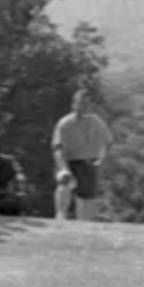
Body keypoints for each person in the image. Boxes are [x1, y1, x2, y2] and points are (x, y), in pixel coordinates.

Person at [52, 87, 113, 221]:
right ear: (74, 104)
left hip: (89, 164)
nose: (83, 107)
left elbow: (108, 142)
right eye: (80, 103)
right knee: (64, 183)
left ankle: (83, 227)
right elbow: (58, 149)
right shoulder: (64, 123)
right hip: (69, 163)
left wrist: (102, 160)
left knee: (87, 206)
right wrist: (64, 169)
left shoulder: (96, 122)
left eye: (87, 104)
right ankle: (60, 219)